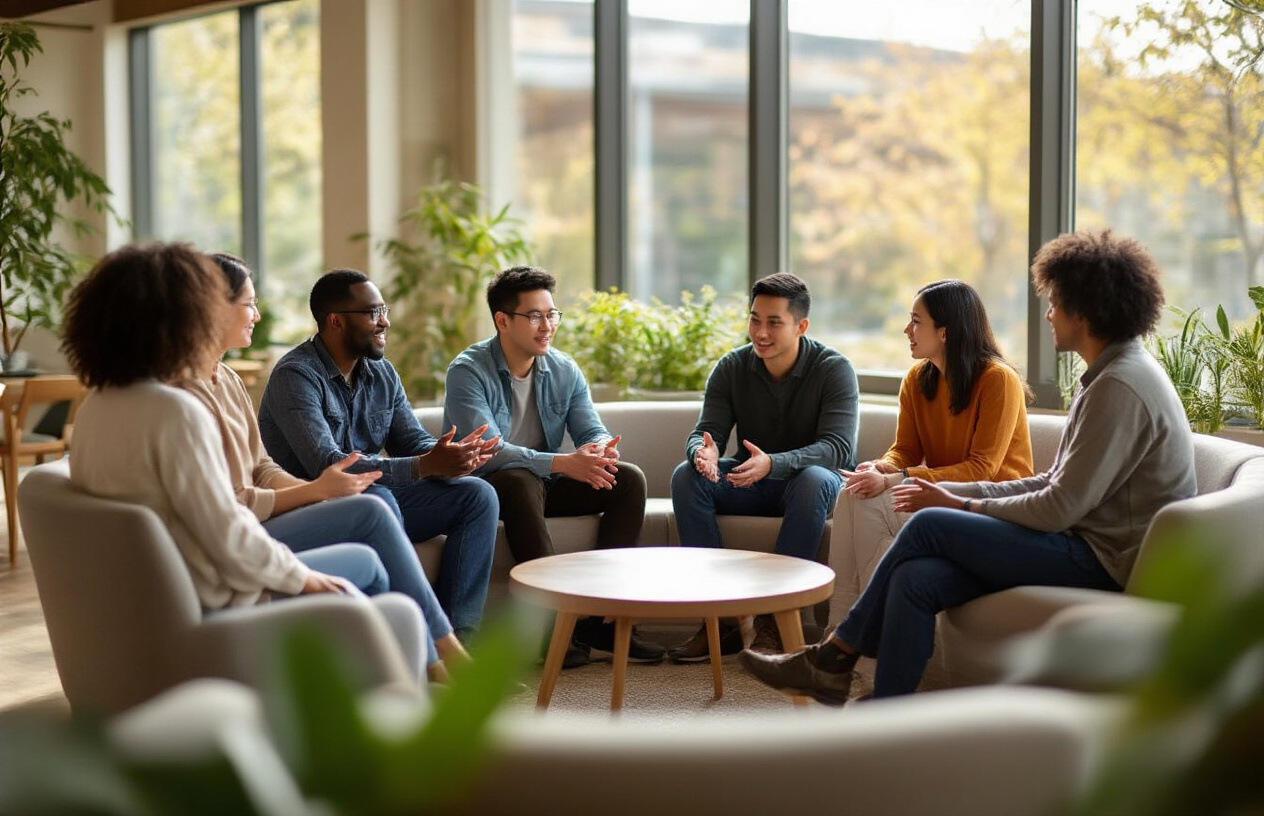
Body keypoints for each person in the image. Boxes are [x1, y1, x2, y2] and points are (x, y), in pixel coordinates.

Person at [740, 229, 1198, 703]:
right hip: (1080, 540)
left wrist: (961, 502)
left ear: (1085, 311)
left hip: (1102, 559)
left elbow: (1059, 507)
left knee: (932, 525)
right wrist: (945, 492)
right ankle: (885, 708)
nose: (1048, 314)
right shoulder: (1106, 376)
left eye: (1056, 303)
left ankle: (834, 655)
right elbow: (1057, 483)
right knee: (916, 578)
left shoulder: (1118, 386)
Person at [63, 242, 397, 627]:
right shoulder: (174, 412)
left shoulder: (95, 407)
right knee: (368, 562)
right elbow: (227, 534)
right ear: (184, 316)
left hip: (145, 599)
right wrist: (304, 578)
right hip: (210, 595)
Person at [182, 253, 467, 677]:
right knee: (375, 504)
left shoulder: (230, 380)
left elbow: (260, 465)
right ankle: (442, 656)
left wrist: (448, 455)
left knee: (470, 495)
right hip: (244, 529)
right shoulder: (200, 395)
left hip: (280, 504)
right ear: (212, 307)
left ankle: (436, 651)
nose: (258, 315)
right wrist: (313, 491)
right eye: (249, 303)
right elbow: (236, 500)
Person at [257, 269, 499, 640]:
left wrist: (449, 456)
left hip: (374, 493)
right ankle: (411, 639)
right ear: (335, 321)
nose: (385, 321)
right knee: (380, 498)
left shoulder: (381, 372)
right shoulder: (296, 376)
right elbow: (328, 466)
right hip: (313, 504)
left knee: (477, 495)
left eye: (382, 310)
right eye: (373, 313)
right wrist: (423, 465)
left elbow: (411, 442)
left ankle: (460, 637)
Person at [444, 265, 665, 668]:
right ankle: (551, 631)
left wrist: (600, 451)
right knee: (518, 477)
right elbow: (489, 451)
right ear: (502, 320)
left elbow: (590, 428)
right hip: (490, 490)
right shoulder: (467, 371)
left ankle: (600, 623)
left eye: (552, 315)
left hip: (541, 483)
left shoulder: (563, 369)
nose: (547, 326)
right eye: (534, 316)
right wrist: (564, 462)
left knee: (628, 480)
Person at [668, 272, 859, 662]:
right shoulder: (732, 366)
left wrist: (774, 463)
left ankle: (773, 620)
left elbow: (838, 449)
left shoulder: (834, 369)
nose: (761, 332)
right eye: (755, 319)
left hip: (807, 486)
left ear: (801, 326)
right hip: (748, 481)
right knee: (686, 476)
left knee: (814, 478)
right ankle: (716, 620)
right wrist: (701, 453)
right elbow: (706, 432)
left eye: (774, 322)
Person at [840, 280, 1034, 588]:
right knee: (854, 494)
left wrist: (896, 478)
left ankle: (868, 622)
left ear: (945, 332)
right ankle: (843, 624)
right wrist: (880, 467)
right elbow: (905, 450)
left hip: (995, 507)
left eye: (916, 322)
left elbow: (982, 469)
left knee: (872, 499)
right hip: (944, 496)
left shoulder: (998, 380)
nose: (907, 330)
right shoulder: (917, 379)